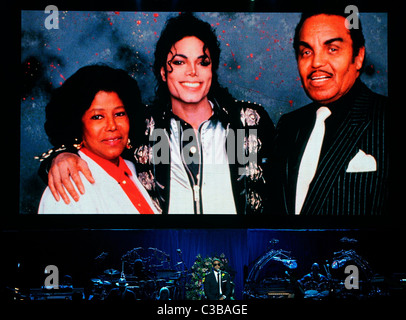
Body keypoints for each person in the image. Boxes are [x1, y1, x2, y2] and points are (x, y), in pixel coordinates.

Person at [38, 13, 275, 215]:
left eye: (202, 62)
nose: (192, 72)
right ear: (163, 72)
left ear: (212, 69)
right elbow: (99, 147)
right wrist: (59, 156)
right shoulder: (144, 126)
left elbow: (283, 188)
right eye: (180, 62)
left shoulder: (248, 121)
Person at [269, 10, 388, 216]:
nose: (316, 62)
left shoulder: (386, 119)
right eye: (306, 52)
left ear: (358, 56)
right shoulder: (288, 125)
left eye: (332, 49)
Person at [37, 65, 158, 214]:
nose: (112, 126)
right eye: (97, 117)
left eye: (119, 114)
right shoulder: (69, 189)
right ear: (77, 124)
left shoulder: (134, 170)